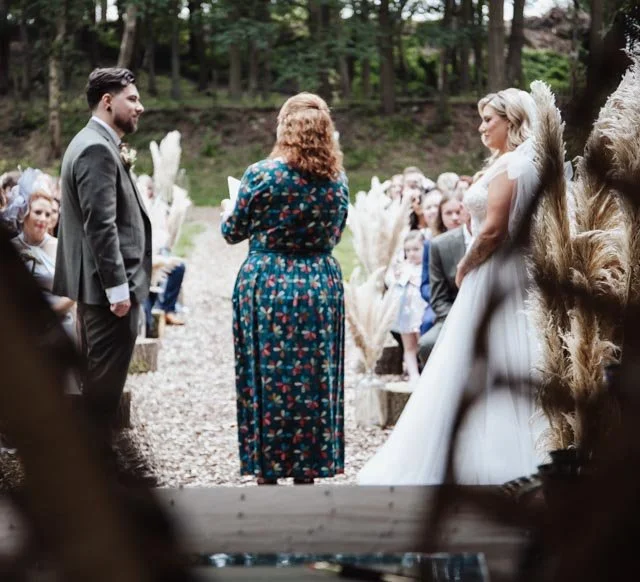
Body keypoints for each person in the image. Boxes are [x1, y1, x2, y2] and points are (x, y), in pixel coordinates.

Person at [359, 88, 547, 485]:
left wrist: (464, 264)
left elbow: (494, 229)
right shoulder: (516, 162)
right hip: (508, 274)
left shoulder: (514, 164)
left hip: (493, 273)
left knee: (479, 357)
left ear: (511, 122)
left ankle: (485, 457)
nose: (481, 127)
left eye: (488, 120)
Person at [221, 92, 349, 486]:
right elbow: (336, 233)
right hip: (318, 285)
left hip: (268, 284)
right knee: (314, 377)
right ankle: (309, 469)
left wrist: (231, 211)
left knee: (266, 374)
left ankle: (267, 469)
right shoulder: (336, 181)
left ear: (285, 129)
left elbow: (232, 231)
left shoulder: (262, 174)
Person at [53, 68, 151, 456]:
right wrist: (118, 290)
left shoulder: (94, 141)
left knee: (100, 389)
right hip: (109, 292)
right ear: (107, 102)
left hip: (101, 289)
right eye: (132, 98)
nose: (140, 107)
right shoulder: (95, 148)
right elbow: (100, 225)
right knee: (102, 393)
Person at [9, 169, 75, 339]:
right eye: (38, 212)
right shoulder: (12, 247)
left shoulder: (59, 247)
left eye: (48, 214)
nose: (44, 219)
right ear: (24, 214)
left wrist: (49, 313)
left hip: (59, 327)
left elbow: (74, 292)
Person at [418, 197, 472, 366]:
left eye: (457, 212)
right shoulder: (437, 245)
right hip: (451, 310)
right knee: (427, 336)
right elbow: (434, 292)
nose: (455, 217)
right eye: (449, 213)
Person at [387, 230, 428, 382]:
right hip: (405, 313)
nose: (411, 254)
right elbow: (391, 283)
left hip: (421, 311)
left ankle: (426, 372)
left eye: (416, 249)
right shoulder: (403, 267)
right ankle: (414, 375)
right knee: (409, 346)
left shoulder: (427, 267)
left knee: (423, 343)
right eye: (408, 250)